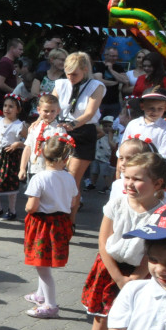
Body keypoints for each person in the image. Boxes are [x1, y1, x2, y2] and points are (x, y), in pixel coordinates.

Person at [79, 147, 166, 330]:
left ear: (157, 183)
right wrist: (118, 277)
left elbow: (155, 248)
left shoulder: (163, 211)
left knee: (138, 323)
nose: (129, 183)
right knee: (102, 319)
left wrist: (137, 277)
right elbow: (104, 240)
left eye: (137, 179)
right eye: (127, 176)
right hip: (110, 268)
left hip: (145, 272)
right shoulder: (118, 202)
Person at [23, 133, 78, 319]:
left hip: (42, 224)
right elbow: (72, 203)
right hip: (61, 222)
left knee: (42, 266)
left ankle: (50, 304)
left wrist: (28, 208)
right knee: (44, 262)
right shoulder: (69, 178)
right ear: (66, 158)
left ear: (41, 154)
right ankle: (40, 295)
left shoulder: (39, 178)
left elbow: (32, 206)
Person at [53, 51, 106, 223]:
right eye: (67, 72)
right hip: (61, 131)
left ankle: (70, 221)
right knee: (56, 177)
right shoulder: (60, 84)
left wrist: (73, 124)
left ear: (84, 69)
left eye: (74, 73)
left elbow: (90, 113)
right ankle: (56, 217)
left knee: (72, 179)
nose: (70, 77)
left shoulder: (96, 86)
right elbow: (50, 106)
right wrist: (39, 121)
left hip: (83, 133)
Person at [0, 95, 26, 220]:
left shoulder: (20, 125)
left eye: (11, 106)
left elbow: (30, 142)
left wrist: (18, 144)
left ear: (18, 110)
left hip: (11, 157)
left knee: (10, 183)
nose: (7, 109)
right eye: (5, 106)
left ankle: (12, 211)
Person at [121, 89, 166, 158]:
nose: (155, 112)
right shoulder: (133, 124)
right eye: (151, 108)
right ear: (142, 106)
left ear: (165, 108)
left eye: (160, 108)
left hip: (154, 167)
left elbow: (165, 156)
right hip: (130, 165)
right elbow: (122, 148)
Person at [96, 46, 130, 119]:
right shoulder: (98, 66)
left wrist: (111, 70)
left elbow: (125, 80)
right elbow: (99, 81)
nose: (115, 58)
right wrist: (116, 82)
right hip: (100, 102)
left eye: (116, 56)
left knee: (113, 125)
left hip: (114, 103)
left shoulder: (118, 67)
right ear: (105, 55)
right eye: (112, 56)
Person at [0, 38, 23, 108]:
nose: (21, 52)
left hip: (5, 100)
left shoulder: (10, 62)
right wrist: (14, 92)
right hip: (0, 101)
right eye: (20, 49)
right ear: (12, 48)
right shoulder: (5, 63)